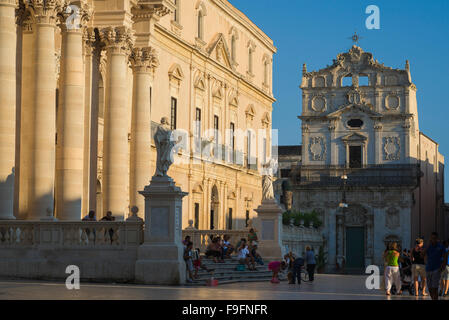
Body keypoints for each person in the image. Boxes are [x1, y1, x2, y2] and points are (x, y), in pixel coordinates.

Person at [424, 232, 445, 300]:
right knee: (430, 288)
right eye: (432, 238)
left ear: (437, 238)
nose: (433, 239)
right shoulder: (428, 246)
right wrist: (427, 246)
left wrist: (443, 266)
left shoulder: (441, 246)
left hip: (436, 269)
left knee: (435, 288)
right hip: (428, 269)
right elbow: (422, 255)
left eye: (434, 238)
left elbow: (445, 256)